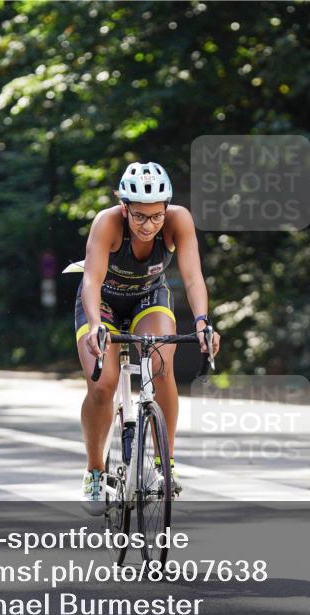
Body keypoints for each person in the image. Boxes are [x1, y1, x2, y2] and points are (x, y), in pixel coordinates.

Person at [75, 161, 220, 515]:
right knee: (103, 384)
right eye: (139, 216)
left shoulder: (178, 220)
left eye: (156, 216)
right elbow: (92, 279)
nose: (148, 225)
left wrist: (203, 322)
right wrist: (94, 324)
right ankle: (95, 472)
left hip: (148, 297)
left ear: (166, 208)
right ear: (124, 207)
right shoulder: (107, 223)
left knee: (160, 364)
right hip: (103, 302)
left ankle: (164, 464)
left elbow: (193, 277)